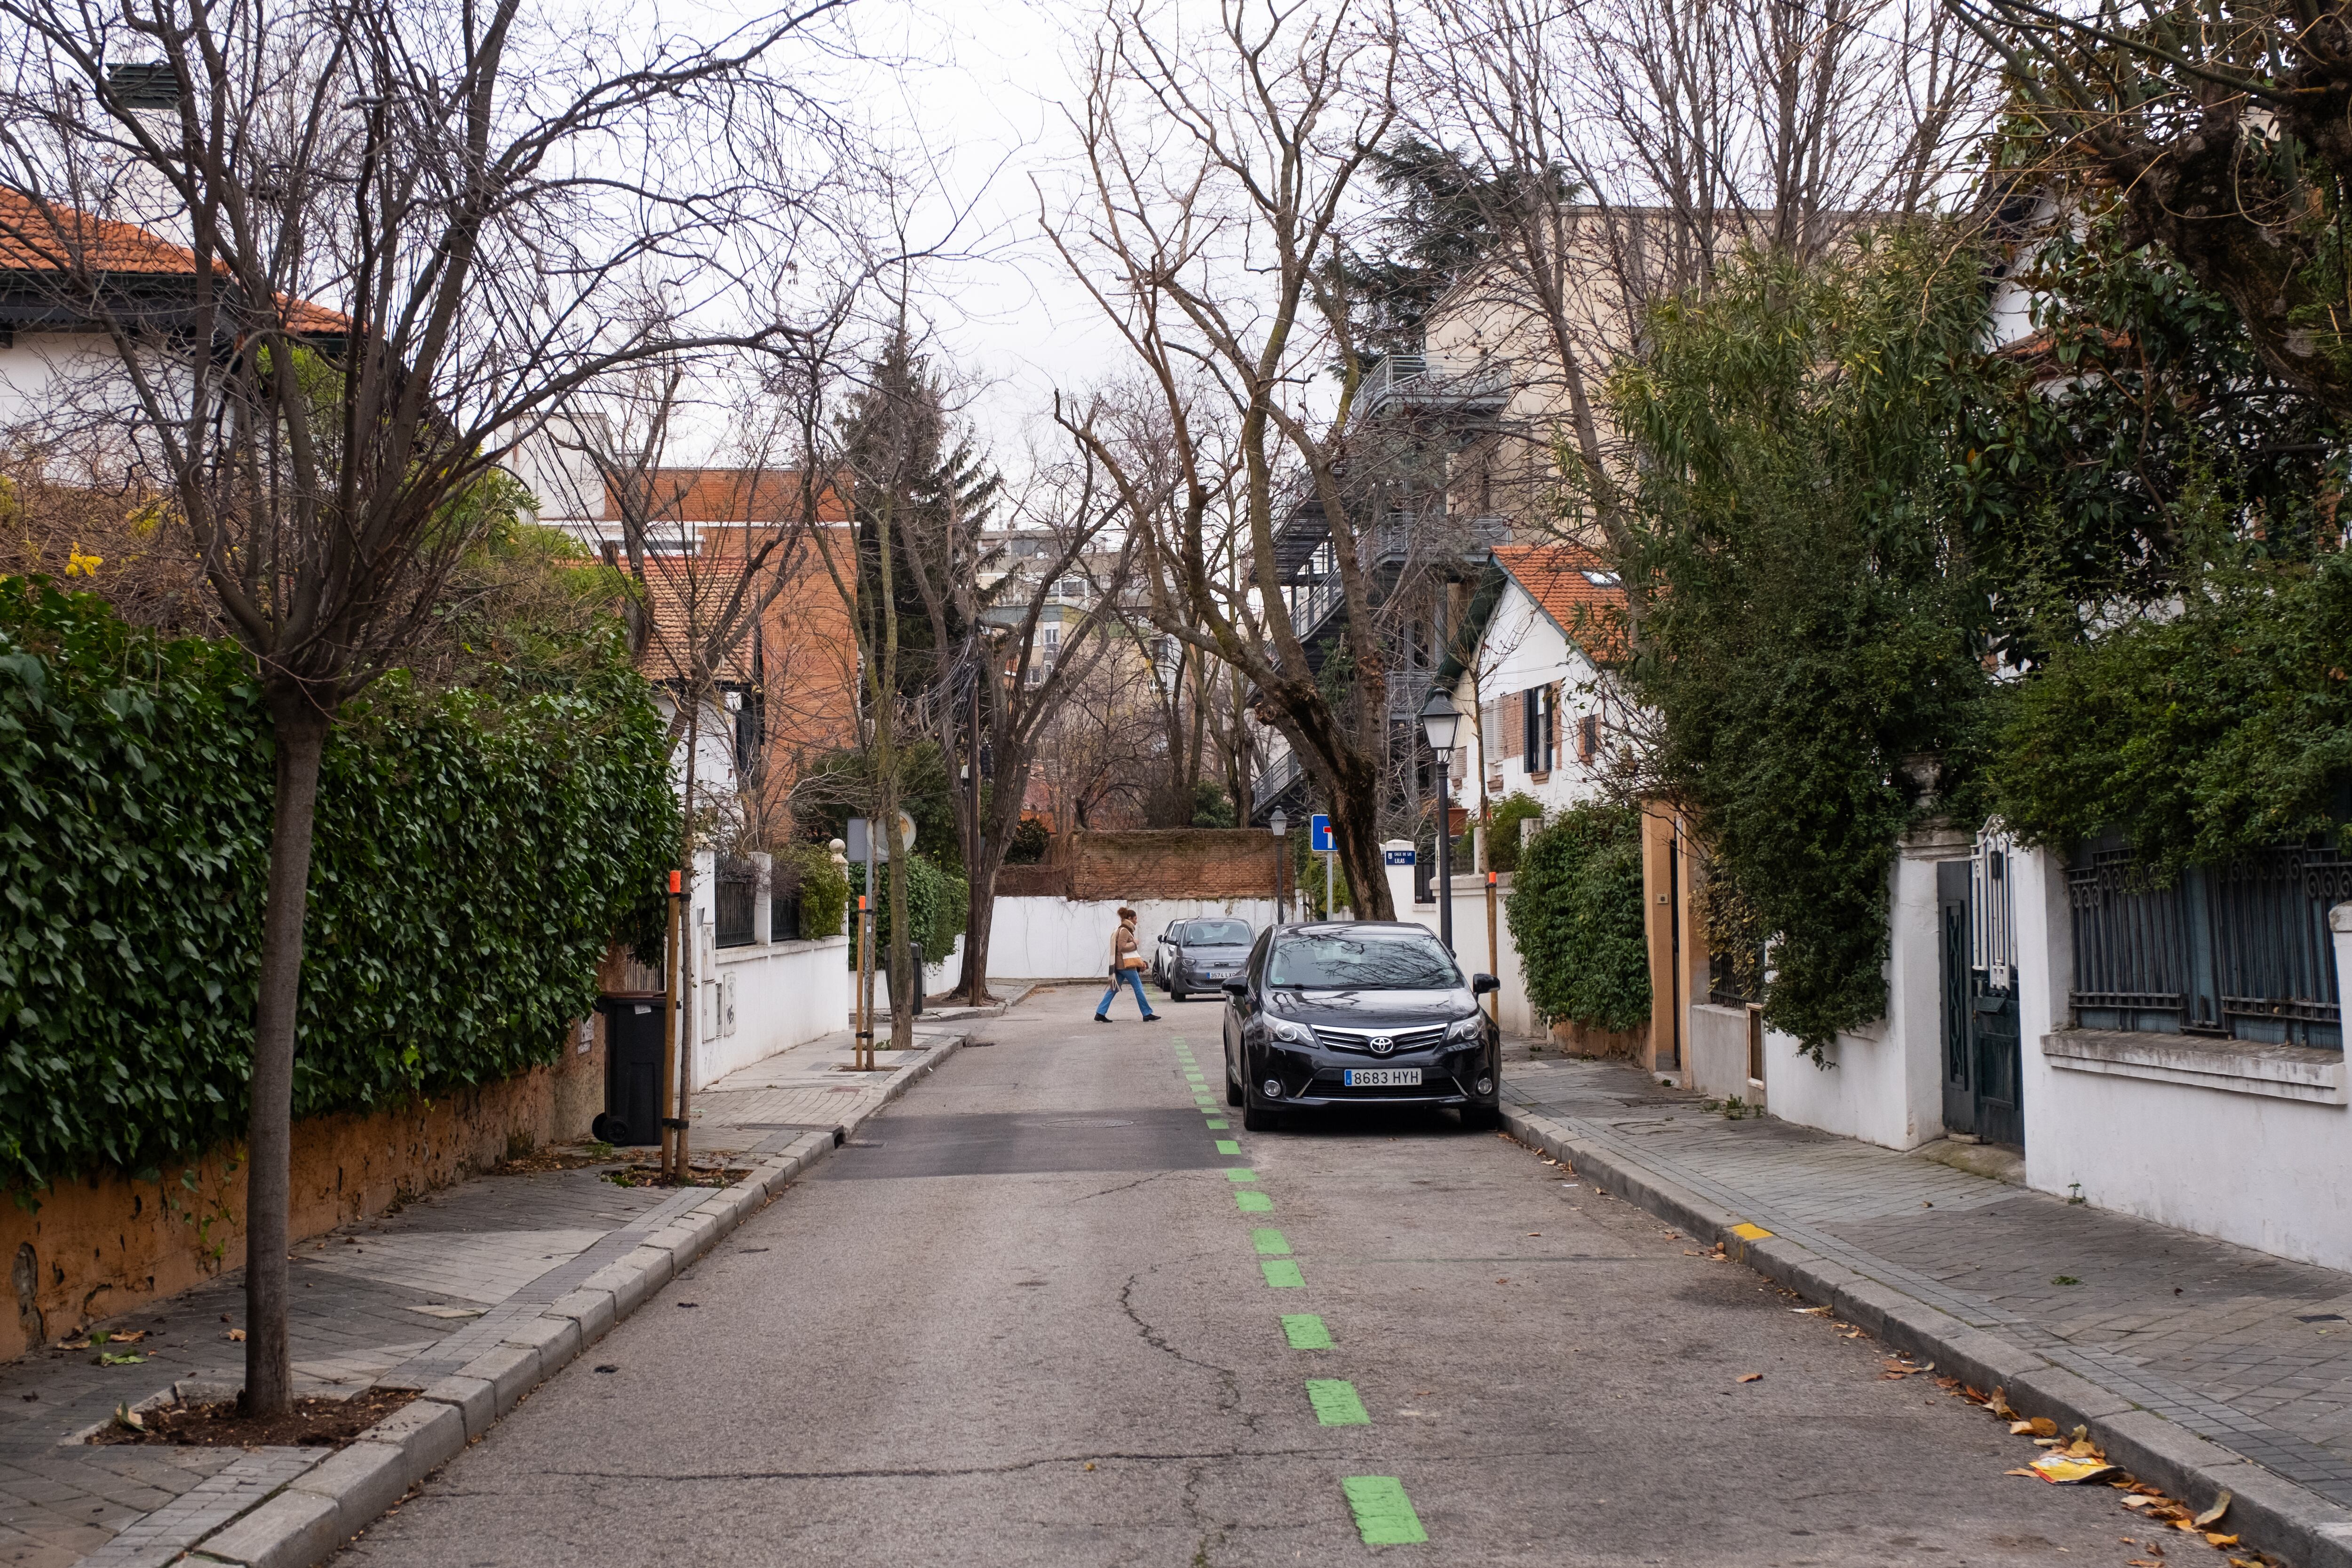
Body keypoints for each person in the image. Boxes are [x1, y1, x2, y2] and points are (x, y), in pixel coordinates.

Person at [1096, 906, 1160, 1023]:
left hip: (1121, 965)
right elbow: (1122, 948)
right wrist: (1135, 944)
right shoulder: (1125, 931)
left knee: (1114, 989)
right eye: (1135, 918)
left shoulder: (1122, 929)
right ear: (1130, 918)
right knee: (1139, 987)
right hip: (1126, 965)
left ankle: (1100, 1013)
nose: (1137, 921)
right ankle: (1147, 1013)